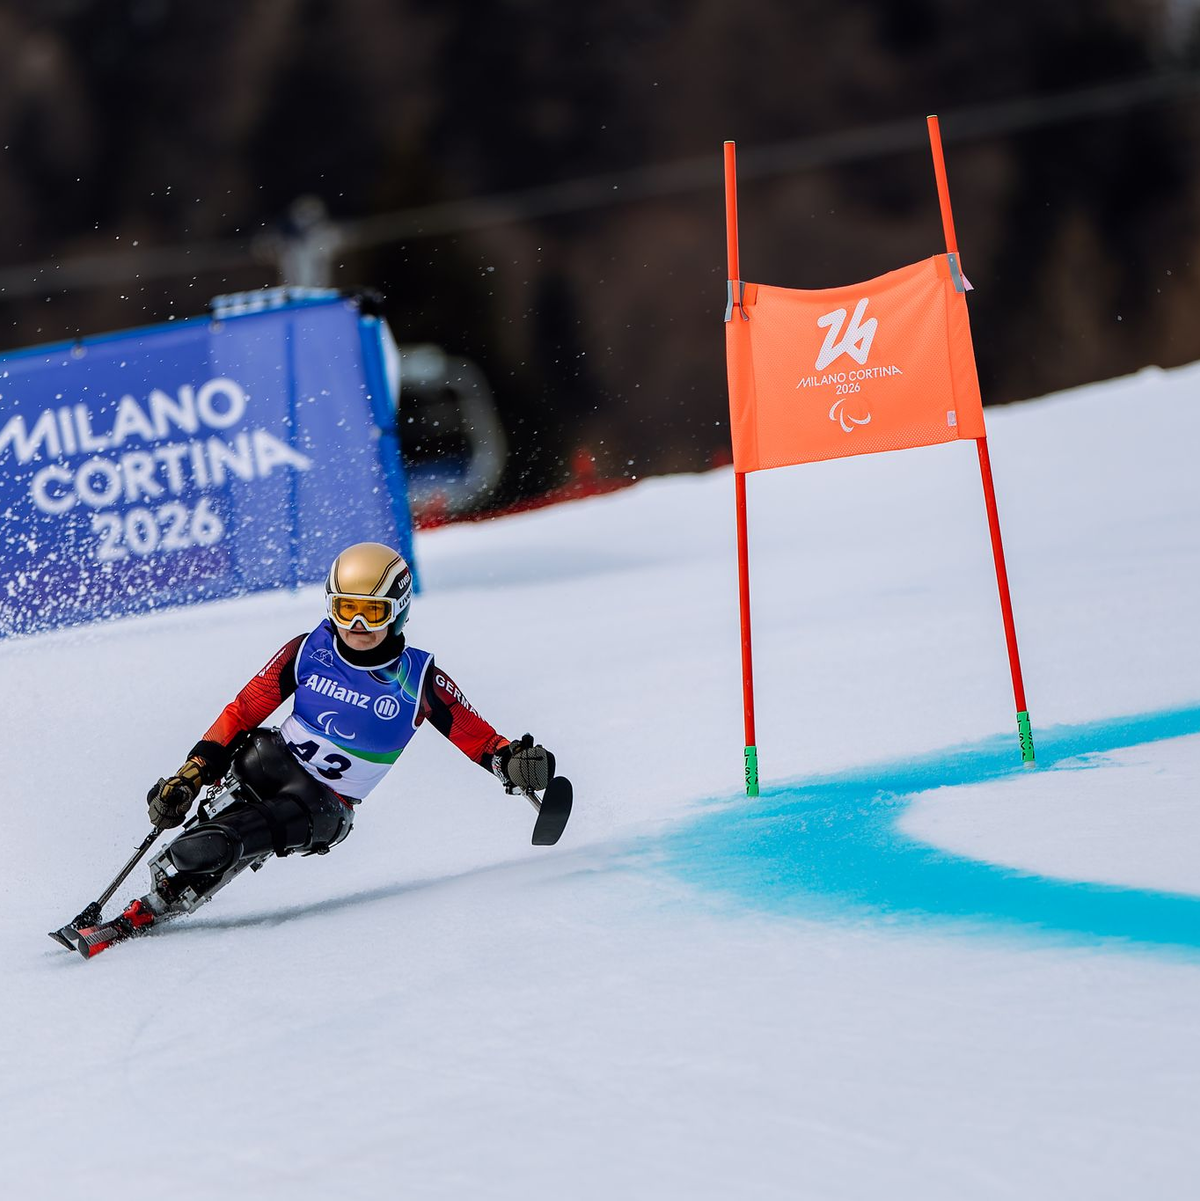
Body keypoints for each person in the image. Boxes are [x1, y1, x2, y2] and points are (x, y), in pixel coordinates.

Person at [114, 541, 555, 938]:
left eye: (373, 612)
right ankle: (178, 869)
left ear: (398, 610)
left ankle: (190, 871)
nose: (357, 625)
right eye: (346, 610)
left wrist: (513, 762)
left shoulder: (418, 681)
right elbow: (243, 712)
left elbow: (478, 738)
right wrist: (191, 774)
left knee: (225, 842)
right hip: (268, 761)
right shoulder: (306, 650)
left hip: (323, 805)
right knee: (220, 813)